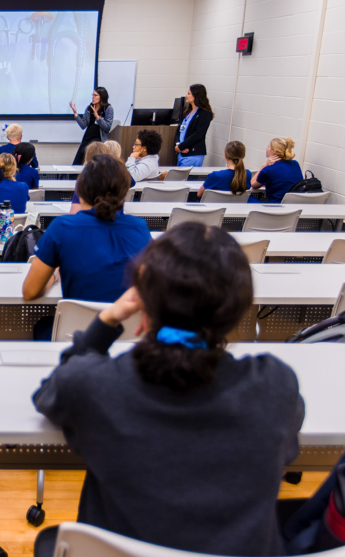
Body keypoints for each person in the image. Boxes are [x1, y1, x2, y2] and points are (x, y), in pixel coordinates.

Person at [32, 222, 304, 556]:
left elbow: (49, 394)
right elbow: (286, 451)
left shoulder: (95, 385)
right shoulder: (276, 386)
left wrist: (107, 320)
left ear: (143, 302)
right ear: (236, 311)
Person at [24, 153, 150, 303]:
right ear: (125, 191)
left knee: (42, 325)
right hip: (126, 325)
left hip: (77, 326)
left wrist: (56, 275)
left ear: (81, 190)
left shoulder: (62, 227)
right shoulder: (140, 228)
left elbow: (30, 292)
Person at [69, 141, 133, 214]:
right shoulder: (118, 178)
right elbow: (131, 181)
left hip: (88, 219)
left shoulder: (83, 180)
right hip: (114, 217)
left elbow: (74, 211)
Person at [250, 137, 302, 203]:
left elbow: (251, 185)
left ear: (274, 152)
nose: (266, 149)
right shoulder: (295, 164)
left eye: (268, 147)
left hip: (275, 207)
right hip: (293, 207)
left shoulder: (268, 169)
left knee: (247, 199)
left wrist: (264, 166)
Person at [70, 87, 114, 165]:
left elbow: (107, 128)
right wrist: (75, 113)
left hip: (98, 140)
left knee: (90, 162)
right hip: (87, 138)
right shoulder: (89, 108)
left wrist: (97, 117)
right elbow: (83, 125)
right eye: (92, 95)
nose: (92, 97)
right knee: (77, 163)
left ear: (102, 97)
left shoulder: (108, 109)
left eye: (95, 95)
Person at [174, 84, 214, 167]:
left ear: (196, 96)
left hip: (192, 154)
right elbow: (179, 130)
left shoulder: (204, 114)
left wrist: (182, 146)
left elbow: (198, 134)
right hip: (182, 152)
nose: (186, 96)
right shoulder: (188, 112)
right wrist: (178, 144)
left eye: (188, 93)